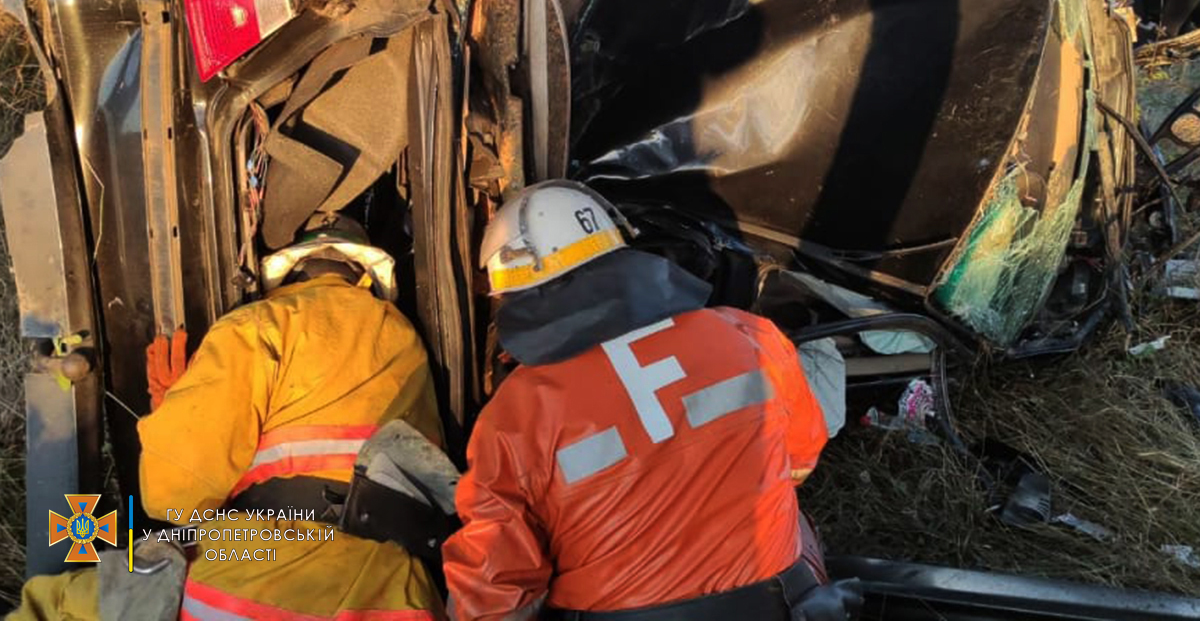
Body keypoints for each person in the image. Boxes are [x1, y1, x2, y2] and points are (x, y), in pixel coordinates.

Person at [441, 181, 862, 621]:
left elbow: (494, 588)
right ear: (623, 256)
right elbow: (799, 458)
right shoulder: (747, 334)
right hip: (773, 605)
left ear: (513, 297)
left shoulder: (512, 418)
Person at [8, 213, 447, 621]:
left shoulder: (258, 325)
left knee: (61, 604)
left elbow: (173, 497)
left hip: (260, 556)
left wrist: (172, 417)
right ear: (367, 278)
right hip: (394, 583)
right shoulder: (409, 344)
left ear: (286, 275)